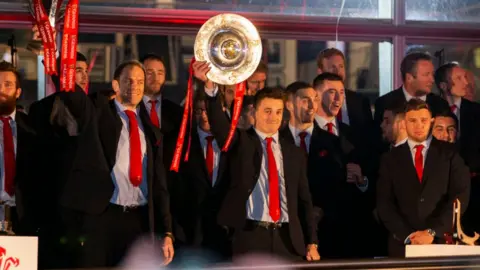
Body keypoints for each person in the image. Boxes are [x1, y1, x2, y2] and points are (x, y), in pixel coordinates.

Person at [193, 59, 320, 262]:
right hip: (250, 237)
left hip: (287, 240)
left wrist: (312, 242)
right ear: (255, 113)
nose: (273, 117)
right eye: (267, 111)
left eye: (278, 112)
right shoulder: (242, 142)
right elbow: (219, 123)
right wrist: (209, 85)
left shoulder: (294, 152)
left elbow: (305, 200)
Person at [52, 60, 174, 267]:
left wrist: (167, 231)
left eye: (140, 81)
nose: (135, 86)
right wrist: (56, 56)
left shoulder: (152, 130)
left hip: (139, 221)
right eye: (129, 80)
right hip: (102, 216)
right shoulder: (98, 115)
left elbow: (160, 186)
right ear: (116, 85)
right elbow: (73, 97)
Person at [377, 98, 470, 257]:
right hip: (402, 245)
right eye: (412, 120)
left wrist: (432, 232)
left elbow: (460, 196)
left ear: (432, 121)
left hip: (441, 243)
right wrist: (408, 236)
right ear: (404, 123)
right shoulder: (390, 159)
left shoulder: (450, 154)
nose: (418, 126)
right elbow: (384, 203)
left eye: (423, 120)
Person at [174, 90, 231, 263]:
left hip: (225, 232)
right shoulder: (181, 146)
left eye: (209, 110)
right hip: (191, 232)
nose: (205, 116)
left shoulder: (233, 143)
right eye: (199, 111)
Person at [374, 52, 450, 141]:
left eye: (432, 74)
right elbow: (378, 141)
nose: (432, 80)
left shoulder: (440, 104)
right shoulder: (385, 103)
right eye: (426, 75)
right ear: (409, 77)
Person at [0, 61, 36, 235]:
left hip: (23, 215)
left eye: (8, 85)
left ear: (18, 92)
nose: (1, 90)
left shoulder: (33, 129)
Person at [316, 48, 374, 140]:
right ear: (320, 72)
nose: (338, 72)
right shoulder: (313, 100)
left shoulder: (361, 102)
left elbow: (369, 137)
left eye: (341, 66)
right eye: (333, 67)